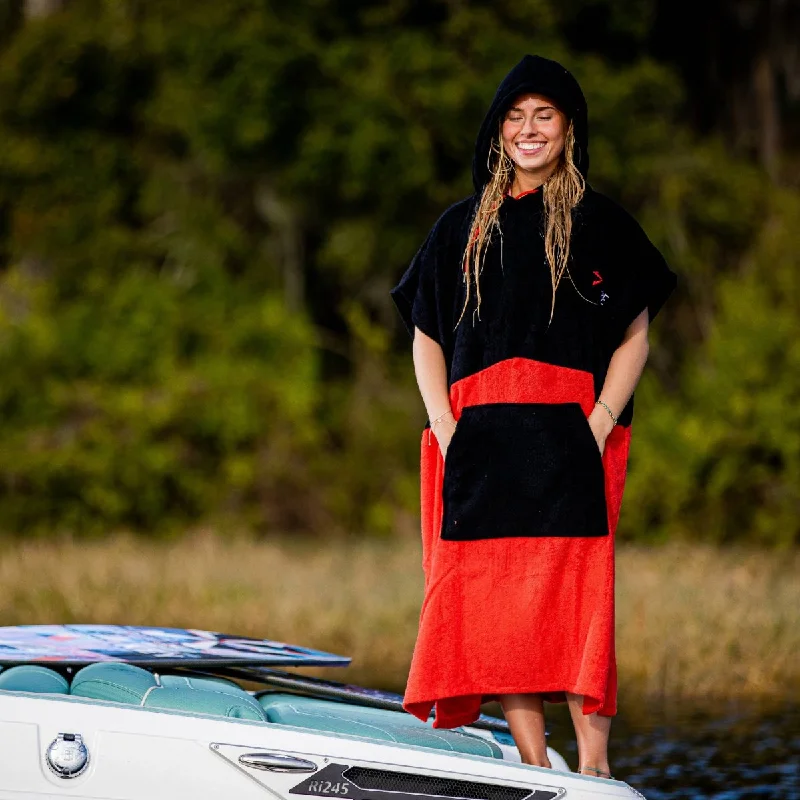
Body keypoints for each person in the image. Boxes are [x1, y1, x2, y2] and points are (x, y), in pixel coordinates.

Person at [390, 55, 677, 778]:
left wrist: (603, 418)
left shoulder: (602, 223)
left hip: (573, 434)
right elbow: (425, 335)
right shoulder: (460, 227)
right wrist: (447, 430)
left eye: (543, 115)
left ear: (568, 128)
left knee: (580, 600)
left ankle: (594, 767)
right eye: (515, 117)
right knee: (501, 609)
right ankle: (534, 769)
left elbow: (635, 332)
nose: (528, 130)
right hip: (476, 436)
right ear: (497, 132)